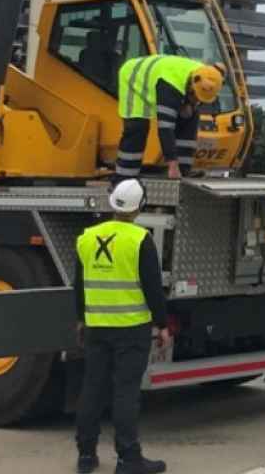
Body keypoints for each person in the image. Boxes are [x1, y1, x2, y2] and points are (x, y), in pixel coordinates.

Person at [73, 179, 171, 474]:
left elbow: (78, 285)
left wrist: (81, 318)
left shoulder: (87, 237)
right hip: (131, 328)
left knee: (92, 388)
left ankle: (86, 456)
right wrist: (163, 324)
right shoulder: (140, 239)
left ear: (113, 203)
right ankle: (129, 458)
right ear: (140, 207)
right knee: (125, 392)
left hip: (96, 326)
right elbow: (153, 288)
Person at [115, 55, 224, 178]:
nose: (197, 101)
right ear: (191, 88)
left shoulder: (206, 75)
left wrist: (190, 104)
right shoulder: (169, 87)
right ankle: (123, 178)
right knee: (137, 129)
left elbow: (197, 98)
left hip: (169, 80)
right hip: (134, 80)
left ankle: (183, 173)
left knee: (190, 119)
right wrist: (172, 166)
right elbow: (165, 129)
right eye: (195, 97)